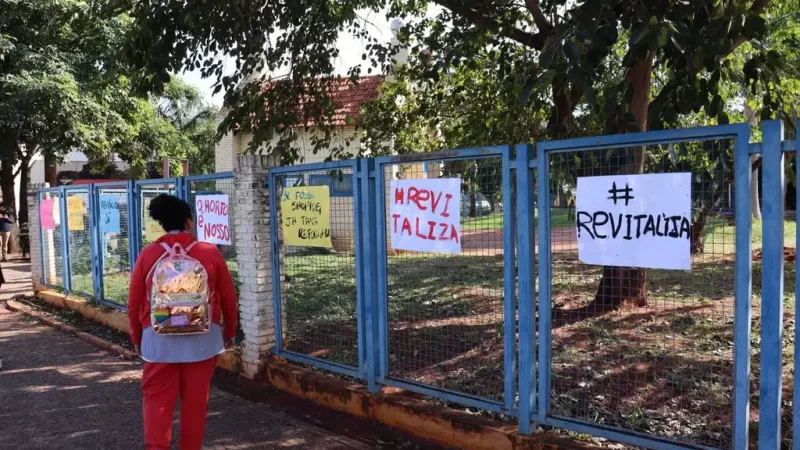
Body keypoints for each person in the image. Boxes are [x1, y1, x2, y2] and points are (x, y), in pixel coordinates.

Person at [128, 194, 238, 450]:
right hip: (203, 339)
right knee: (196, 403)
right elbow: (229, 297)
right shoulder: (209, 252)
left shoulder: (148, 254)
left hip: (159, 339)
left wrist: (137, 336)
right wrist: (230, 331)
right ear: (189, 222)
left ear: (162, 223)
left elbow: (134, 302)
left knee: (157, 399)